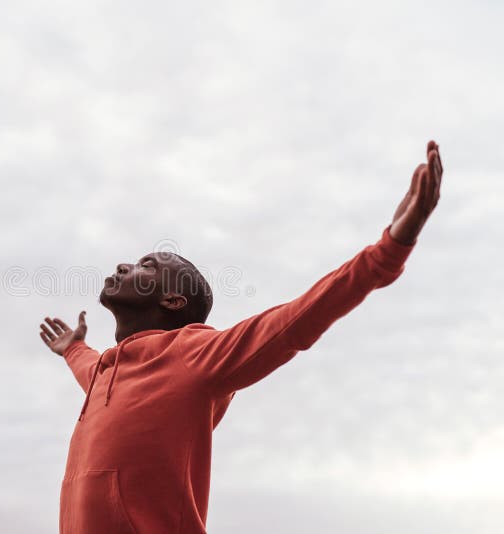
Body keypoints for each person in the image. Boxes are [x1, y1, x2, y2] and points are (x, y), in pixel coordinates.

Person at [39, 141, 443, 533]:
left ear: (173, 300)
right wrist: (72, 347)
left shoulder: (194, 354)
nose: (125, 265)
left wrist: (386, 252)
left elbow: (294, 322)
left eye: (147, 265)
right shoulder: (103, 374)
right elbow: (88, 366)